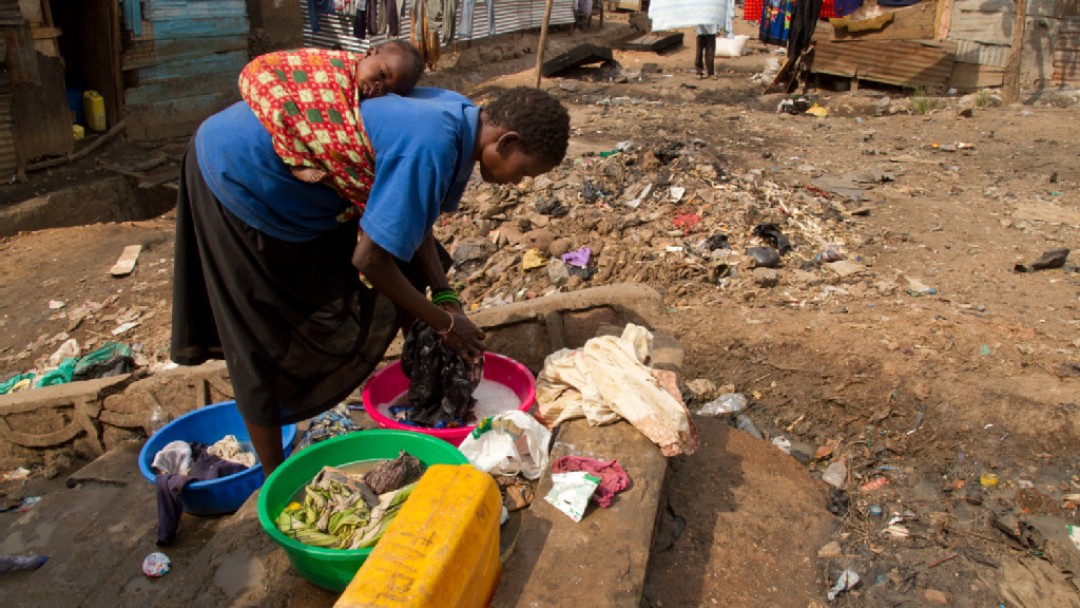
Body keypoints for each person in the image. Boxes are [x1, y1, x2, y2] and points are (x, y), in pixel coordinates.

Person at [172, 84, 571, 475]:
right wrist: (444, 322)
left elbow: (415, 222)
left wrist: (445, 295)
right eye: (524, 172)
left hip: (304, 175)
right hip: (238, 171)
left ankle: (425, 382)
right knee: (259, 332)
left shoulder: (462, 118)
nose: (519, 183)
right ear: (506, 142)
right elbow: (370, 261)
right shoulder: (432, 143)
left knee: (415, 269)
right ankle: (276, 478)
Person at [238, 40, 425, 191]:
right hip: (262, 73)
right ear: (369, 53)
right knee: (284, 111)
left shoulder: (357, 86)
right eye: (382, 74)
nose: (378, 86)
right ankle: (297, 162)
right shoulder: (336, 70)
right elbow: (334, 127)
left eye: (387, 89)